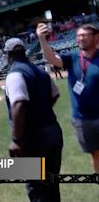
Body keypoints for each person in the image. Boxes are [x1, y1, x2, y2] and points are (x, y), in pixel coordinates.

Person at [4, 38, 63, 202]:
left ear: (8, 55)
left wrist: (16, 140)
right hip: (53, 132)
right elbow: (55, 94)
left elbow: (19, 104)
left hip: (34, 139)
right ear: (24, 52)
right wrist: (41, 110)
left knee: (37, 188)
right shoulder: (41, 71)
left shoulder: (14, 74)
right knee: (52, 184)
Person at [37, 23, 99, 173]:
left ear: (96, 37)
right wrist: (42, 40)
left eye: (85, 35)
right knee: (96, 154)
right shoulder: (73, 58)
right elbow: (51, 58)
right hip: (83, 119)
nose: (80, 38)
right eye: (78, 35)